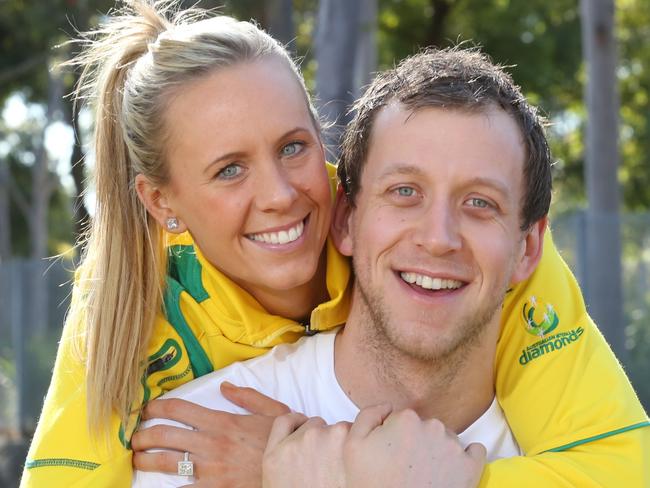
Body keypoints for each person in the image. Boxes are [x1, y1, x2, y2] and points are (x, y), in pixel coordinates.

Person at [21, 1, 648, 486]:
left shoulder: (463, 246)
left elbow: (625, 465)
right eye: (229, 169)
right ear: (163, 204)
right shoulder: (126, 303)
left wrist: (337, 468)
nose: (281, 195)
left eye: (293, 147)